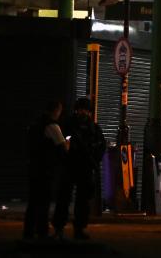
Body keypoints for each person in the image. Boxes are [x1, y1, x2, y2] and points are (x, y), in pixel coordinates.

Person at [52, 96, 106, 240]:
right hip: (69, 166)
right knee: (63, 198)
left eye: (86, 110)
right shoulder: (68, 125)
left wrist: (94, 160)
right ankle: (59, 228)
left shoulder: (94, 128)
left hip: (85, 168)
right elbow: (60, 145)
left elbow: (101, 147)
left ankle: (79, 229)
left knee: (82, 201)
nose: (83, 113)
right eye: (81, 109)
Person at [23, 100, 69, 240]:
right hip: (46, 169)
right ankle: (42, 231)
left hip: (34, 167)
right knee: (44, 201)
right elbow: (62, 148)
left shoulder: (35, 124)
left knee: (33, 201)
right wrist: (67, 143)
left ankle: (28, 232)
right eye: (60, 110)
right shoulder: (52, 126)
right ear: (56, 111)